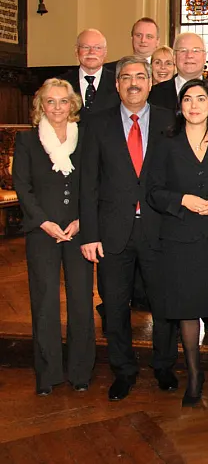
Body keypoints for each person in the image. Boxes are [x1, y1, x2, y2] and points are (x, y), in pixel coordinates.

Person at [80, 56, 179, 401]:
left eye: (140, 76)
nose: (133, 82)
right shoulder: (95, 123)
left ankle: (164, 365)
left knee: (165, 303)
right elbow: (88, 184)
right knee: (115, 304)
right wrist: (90, 234)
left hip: (160, 229)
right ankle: (123, 369)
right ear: (116, 84)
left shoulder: (171, 121)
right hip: (111, 232)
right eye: (126, 77)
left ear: (151, 82)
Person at [146, 79, 208, 408]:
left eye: (200, 99)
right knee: (185, 311)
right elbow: (154, 191)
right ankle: (194, 376)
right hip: (180, 237)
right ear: (180, 106)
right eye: (187, 99)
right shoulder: (165, 142)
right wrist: (183, 199)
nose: (194, 105)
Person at [13, 78, 94, 396]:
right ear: (40, 105)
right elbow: (22, 186)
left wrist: (81, 220)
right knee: (44, 303)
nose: (57, 107)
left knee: (81, 301)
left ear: (71, 104)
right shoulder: (27, 141)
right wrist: (43, 221)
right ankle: (47, 374)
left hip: (78, 231)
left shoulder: (85, 138)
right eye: (50, 101)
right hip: (42, 231)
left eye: (63, 101)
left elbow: (92, 183)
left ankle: (80, 371)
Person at [148, 32, 208, 118]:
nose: (189, 55)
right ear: (174, 57)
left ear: (204, 57)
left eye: (196, 50)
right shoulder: (153, 94)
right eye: (183, 50)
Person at [58, 29, 119, 115]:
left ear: (105, 52)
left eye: (97, 48)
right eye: (86, 47)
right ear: (76, 51)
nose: (91, 52)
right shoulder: (61, 84)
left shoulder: (118, 82)